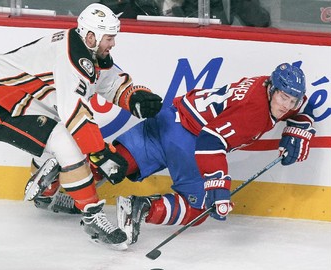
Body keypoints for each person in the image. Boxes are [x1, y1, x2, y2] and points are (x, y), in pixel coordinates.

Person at [0, 3, 162, 249]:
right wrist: (100, 154)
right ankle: (92, 215)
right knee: (68, 141)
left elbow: (111, 82)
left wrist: (134, 98)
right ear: (91, 36)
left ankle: (45, 186)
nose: (113, 43)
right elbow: (75, 114)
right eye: (109, 38)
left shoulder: (87, 49)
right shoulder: (72, 58)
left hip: (25, 95)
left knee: (72, 137)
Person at [113, 63, 315, 244]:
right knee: (200, 208)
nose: (287, 106)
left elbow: (303, 103)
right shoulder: (253, 112)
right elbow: (210, 140)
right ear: (272, 89)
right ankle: (141, 207)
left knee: (113, 162)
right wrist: (217, 185)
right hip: (189, 141)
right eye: (284, 98)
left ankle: (82, 198)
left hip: (169, 117)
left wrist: (299, 125)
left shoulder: (268, 87)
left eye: (292, 101)